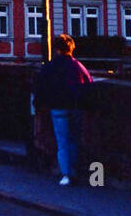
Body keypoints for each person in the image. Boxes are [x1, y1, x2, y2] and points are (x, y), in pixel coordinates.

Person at [34, 34, 94, 186]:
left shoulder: (50, 66)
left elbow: (41, 86)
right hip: (75, 107)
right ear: (71, 49)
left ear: (56, 49)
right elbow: (89, 85)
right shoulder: (78, 66)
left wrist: (39, 104)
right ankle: (74, 170)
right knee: (74, 140)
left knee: (62, 142)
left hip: (58, 107)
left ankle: (66, 174)